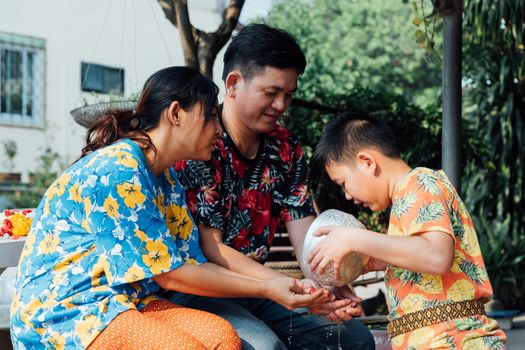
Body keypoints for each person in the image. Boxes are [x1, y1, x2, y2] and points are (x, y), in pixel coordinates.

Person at [9, 67, 326, 350]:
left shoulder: (168, 176)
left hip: (129, 303)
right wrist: (268, 289)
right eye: (211, 117)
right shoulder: (119, 170)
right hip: (69, 311)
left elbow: (192, 263)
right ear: (176, 113)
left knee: (223, 338)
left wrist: (271, 284)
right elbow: (171, 275)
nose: (218, 130)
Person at [168, 24, 375, 349]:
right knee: (266, 347)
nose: (281, 105)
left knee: (353, 339)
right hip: (201, 290)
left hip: (260, 289)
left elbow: (307, 236)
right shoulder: (201, 143)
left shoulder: (285, 147)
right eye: (271, 92)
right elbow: (213, 249)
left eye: (289, 95)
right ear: (234, 84)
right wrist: (279, 285)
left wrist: (326, 282)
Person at [308, 114, 507, 349]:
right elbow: (422, 256)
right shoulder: (405, 204)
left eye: (343, 183)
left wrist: (355, 238)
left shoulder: (420, 182)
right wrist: (369, 261)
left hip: (456, 341)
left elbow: (436, 256)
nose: (348, 195)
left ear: (367, 162)